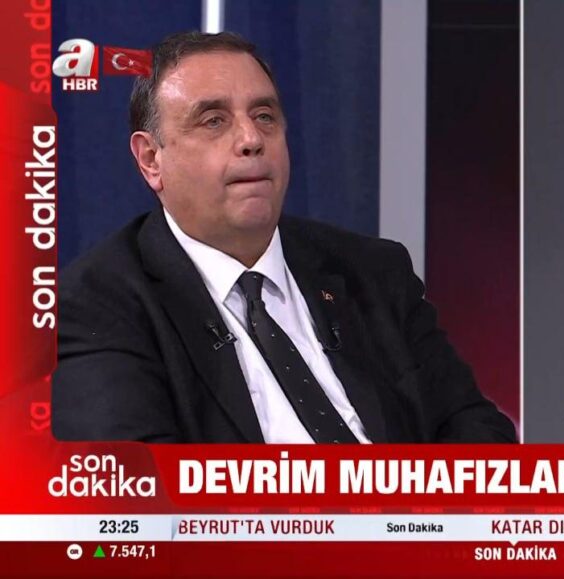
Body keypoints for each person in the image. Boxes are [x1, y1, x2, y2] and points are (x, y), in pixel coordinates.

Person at [53, 31, 515, 444]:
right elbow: (139, 488)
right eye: (213, 120)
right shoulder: (97, 305)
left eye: (265, 116)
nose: (251, 138)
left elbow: (476, 430)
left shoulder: (374, 271)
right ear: (151, 159)